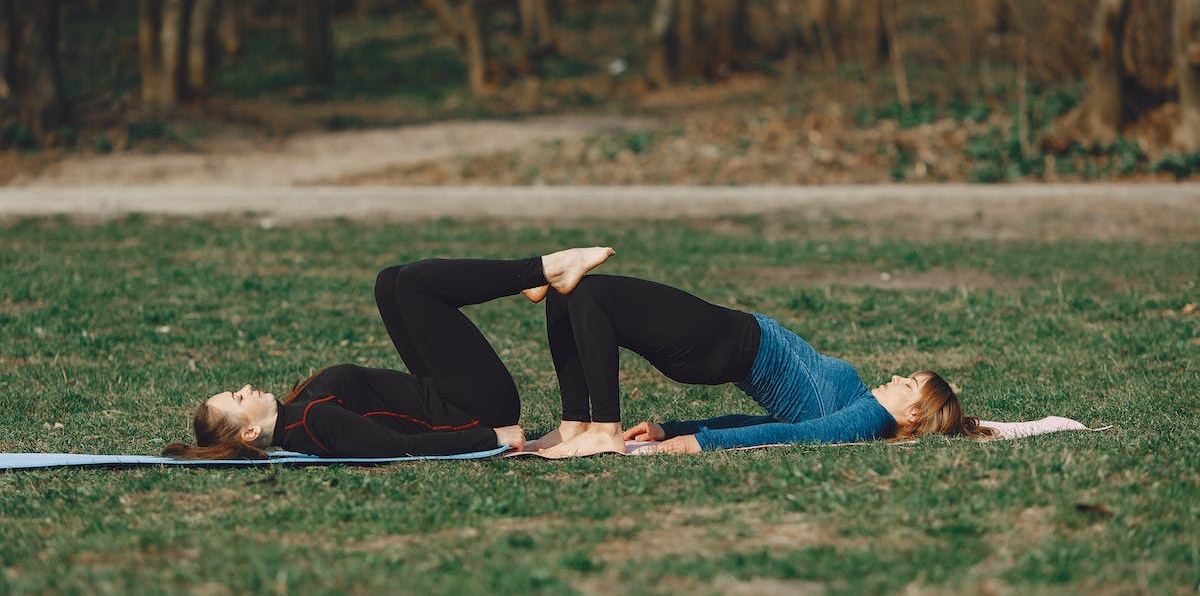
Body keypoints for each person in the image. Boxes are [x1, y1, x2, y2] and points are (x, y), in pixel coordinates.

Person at [162, 247, 616, 459]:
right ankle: (540, 269)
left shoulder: (303, 413)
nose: (245, 388)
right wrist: (493, 438)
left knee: (390, 281)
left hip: (443, 393)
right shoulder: (314, 423)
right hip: (475, 408)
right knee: (415, 284)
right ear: (249, 434)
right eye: (238, 400)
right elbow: (400, 448)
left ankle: (532, 275)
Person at [522, 274, 993, 457]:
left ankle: (601, 428)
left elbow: (795, 436)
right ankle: (576, 424)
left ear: (913, 415)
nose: (896, 377)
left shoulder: (867, 417)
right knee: (574, 296)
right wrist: (672, 428)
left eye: (909, 383)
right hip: (725, 343)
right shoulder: (856, 407)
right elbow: (762, 421)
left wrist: (698, 444)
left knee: (591, 293)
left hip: (729, 342)